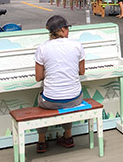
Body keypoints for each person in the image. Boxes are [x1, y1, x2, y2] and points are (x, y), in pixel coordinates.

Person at [34, 15, 86, 153]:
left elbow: (38, 77)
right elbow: (81, 72)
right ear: (62, 30)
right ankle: (68, 137)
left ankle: (41, 141)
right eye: (67, 28)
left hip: (51, 102)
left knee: (42, 99)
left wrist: (52, 72)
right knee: (67, 97)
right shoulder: (77, 45)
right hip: (75, 98)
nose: (68, 31)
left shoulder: (43, 47)